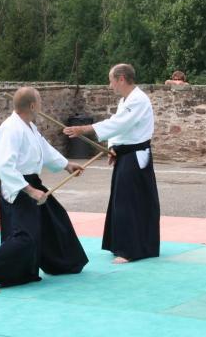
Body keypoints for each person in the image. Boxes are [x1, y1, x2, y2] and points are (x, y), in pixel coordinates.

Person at [0, 87, 88, 293]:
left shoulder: (29, 126)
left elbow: (44, 148)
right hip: (18, 186)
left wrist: (66, 165)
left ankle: (62, 264)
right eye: (40, 101)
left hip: (32, 182)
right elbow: (3, 166)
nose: (42, 105)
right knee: (26, 236)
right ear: (32, 105)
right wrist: (30, 191)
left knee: (56, 218)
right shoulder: (11, 128)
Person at [64, 63, 160, 264]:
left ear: (121, 79)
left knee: (129, 203)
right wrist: (114, 148)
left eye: (111, 80)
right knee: (120, 201)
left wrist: (84, 129)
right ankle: (120, 244)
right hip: (126, 154)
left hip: (136, 157)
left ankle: (130, 249)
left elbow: (119, 124)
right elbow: (121, 128)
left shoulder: (138, 100)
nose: (110, 85)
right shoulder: (126, 100)